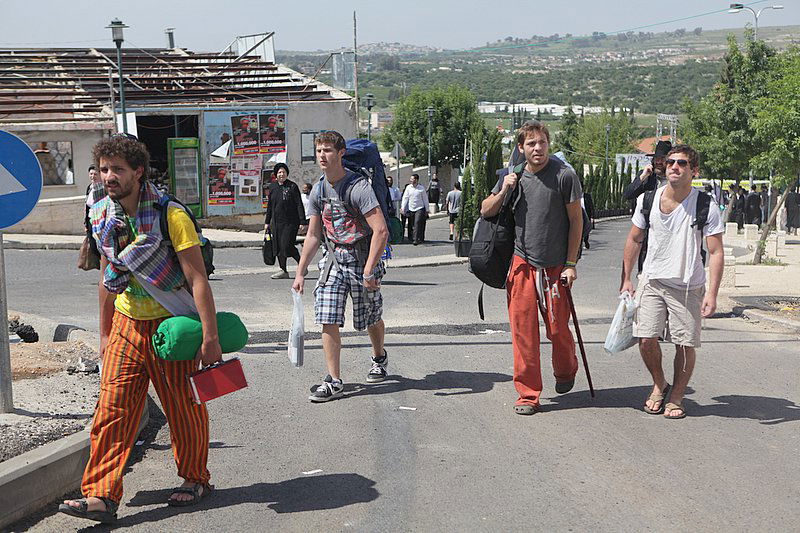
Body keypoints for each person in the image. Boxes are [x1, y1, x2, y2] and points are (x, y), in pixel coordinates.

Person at [60, 135, 222, 523]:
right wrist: (104, 332)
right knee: (112, 410)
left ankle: (194, 478)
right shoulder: (101, 215)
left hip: (172, 326)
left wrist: (210, 337)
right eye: (103, 169)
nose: (108, 176)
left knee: (184, 408)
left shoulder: (171, 215)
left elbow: (197, 278)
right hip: (126, 324)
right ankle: (101, 494)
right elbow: (106, 277)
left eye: (117, 169)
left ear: (138, 172)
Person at [480, 120, 583, 416]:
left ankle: (566, 369)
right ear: (521, 148)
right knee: (523, 332)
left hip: (555, 268)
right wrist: (504, 190)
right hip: (522, 263)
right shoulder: (512, 176)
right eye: (531, 144)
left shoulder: (565, 176)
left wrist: (571, 264)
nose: (537, 148)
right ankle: (528, 394)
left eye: (542, 143)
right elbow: (485, 209)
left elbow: (576, 221)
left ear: (548, 144)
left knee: (557, 329)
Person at [620, 144, 724, 420]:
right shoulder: (648, 200)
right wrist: (626, 280)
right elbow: (634, 239)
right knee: (645, 338)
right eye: (670, 162)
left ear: (694, 170)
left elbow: (715, 252)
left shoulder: (704, 205)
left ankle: (676, 395)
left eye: (681, 163)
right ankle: (659, 383)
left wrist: (711, 294)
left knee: (684, 343)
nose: (674, 167)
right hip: (652, 280)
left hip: (687, 286)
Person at [292, 130, 390, 402]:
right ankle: (334, 380)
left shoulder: (358, 187)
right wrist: (300, 272)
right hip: (333, 260)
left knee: (370, 317)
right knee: (328, 316)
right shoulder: (319, 189)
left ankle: (379, 357)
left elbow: (380, 231)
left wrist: (370, 269)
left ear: (341, 153)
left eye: (328, 151)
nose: (322, 156)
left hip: (362, 259)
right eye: (319, 150)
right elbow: (313, 235)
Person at [623, 140, 671, 272]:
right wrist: (642, 177)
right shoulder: (647, 178)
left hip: (668, 230)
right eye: (656, 159)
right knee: (644, 269)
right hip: (647, 230)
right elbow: (628, 194)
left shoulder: (674, 179)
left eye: (662, 159)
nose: (658, 162)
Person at [264, 163, 306, 279]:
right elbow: (270, 206)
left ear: (287, 174)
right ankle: (283, 270)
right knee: (278, 247)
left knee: (286, 245)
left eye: (283, 172)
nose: (281, 174)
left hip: (291, 223)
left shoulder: (292, 187)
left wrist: (302, 222)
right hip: (277, 223)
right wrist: (267, 222)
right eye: (279, 172)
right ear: (276, 174)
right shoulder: (272, 187)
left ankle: (302, 265)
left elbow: (299, 204)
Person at [401, 174, 428, 245]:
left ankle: (415, 239)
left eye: (413, 179)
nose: (411, 180)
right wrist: (403, 208)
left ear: (416, 180)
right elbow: (405, 198)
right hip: (411, 208)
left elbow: (425, 199)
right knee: (412, 224)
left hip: (420, 208)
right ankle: (416, 237)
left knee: (417, 222)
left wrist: (427, 209)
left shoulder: (421, 188)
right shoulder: (408, 188)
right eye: (411, 179)